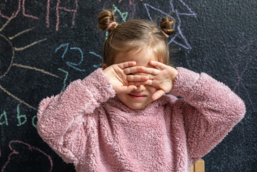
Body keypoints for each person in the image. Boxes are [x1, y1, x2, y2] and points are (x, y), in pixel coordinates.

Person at [37, 9, 246, 172]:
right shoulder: (91, 121)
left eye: (149, 76)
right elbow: (50, 127)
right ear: (106, 74)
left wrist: (181, 81)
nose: (139, 86)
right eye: (130, 74)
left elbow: (231, 110)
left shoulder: (180, 118)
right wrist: (97, 85)